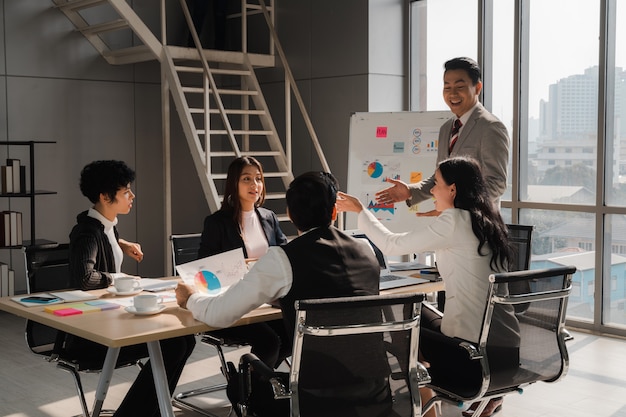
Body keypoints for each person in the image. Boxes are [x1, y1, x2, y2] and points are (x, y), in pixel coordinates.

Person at [176, 171, 385, 416]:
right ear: (334, 213)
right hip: (374, 391)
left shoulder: (283, 258)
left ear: (291, 214)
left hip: (312, 396)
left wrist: (189, 297)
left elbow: (219, 314)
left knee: (242, 385)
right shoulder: (365, 249)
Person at [337, 156, 520, 417]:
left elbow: (391, 245)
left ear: (453, 190)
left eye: (436, 183)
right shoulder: (487, 221)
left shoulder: (455, 221)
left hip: (473, 357)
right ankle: (426, 388)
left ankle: (420, 390)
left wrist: (360, 211)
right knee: (419, 309)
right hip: (507, 355)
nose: (432, 190)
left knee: (404, 316)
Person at [67, 160, 196, 417]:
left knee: (184, 340)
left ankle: (150, 409)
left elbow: (103, 238)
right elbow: (84, 278)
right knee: (175, 344)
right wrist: (118, 277)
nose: (132, 196)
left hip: (114, 318)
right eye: (126, 191)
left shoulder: (106, 227)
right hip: (92, 333)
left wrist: (121, 243)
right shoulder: (87, 232)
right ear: (105, 196)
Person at [375, 57, 509, 213]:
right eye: (447, 87)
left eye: (459, 87)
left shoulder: (491, 127)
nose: (452, 94)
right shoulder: (447, 128)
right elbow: (440, 179)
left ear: (477, 88)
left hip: (478, 226)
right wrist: (411, 191)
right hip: (451, 223)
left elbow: (496, 183)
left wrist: (456, 206)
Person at [197, 156, 289, 368]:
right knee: (269, 342)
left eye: (258, 179)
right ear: (234, 184)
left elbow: (284, 255)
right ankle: (251, 385)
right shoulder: (217, 222)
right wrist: (242, 264)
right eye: (246, 179)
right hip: (234, 300)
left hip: (267, 299)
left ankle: (252, 380)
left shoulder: (269, 217)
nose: (254, 185)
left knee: (294, 332)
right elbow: (204, 267)